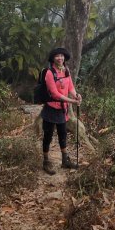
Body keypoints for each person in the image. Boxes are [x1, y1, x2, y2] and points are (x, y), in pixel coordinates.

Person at [41, 46, 82, 175]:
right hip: (51, 108)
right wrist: (72, 102)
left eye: (62, 56)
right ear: (53, 58)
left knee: (62, 134)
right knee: (47, 136)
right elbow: (55, 94)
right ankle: (46, 161)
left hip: (62, 110)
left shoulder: (66, 70)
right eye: (57, 56)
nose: (60, 58)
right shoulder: (49, 73)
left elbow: (70, 87)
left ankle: (65, 160)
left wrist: (76, 96)